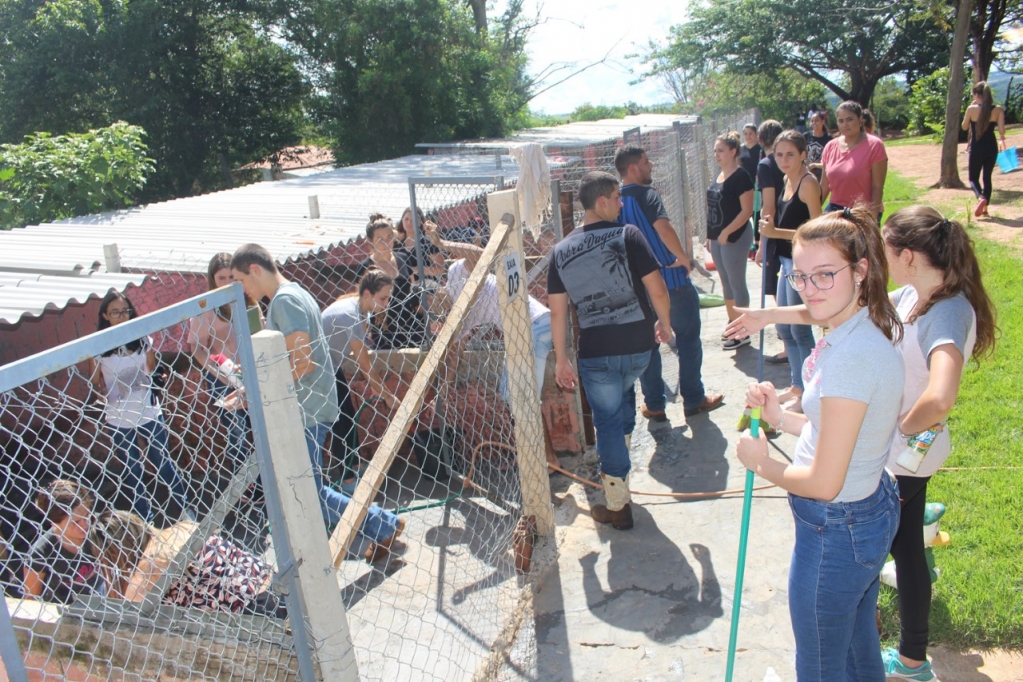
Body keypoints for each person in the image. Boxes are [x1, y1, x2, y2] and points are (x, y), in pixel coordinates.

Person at [734, 206, 904, 680]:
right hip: (864, 510)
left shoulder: (851, 356)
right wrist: (779, 418)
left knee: (820, 664)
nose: (809, 289)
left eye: (825, 275)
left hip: (837, 525)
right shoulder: (856, 326)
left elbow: (825, 481)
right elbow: (837, 432)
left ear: (861, 269)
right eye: (801, 276)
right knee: (853, 644)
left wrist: (760, 462)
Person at [879, 206, 996, 680]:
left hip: (912, 449)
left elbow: (941, 396)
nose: (879, 256)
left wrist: (902, 428)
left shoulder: (945, 311)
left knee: (905, 550)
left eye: (884, 248)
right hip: (911, 448)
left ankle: (911, 660)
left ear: (907, 255)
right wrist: (772, 313)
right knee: (904, 538)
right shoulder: (914, 293)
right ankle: (916, 521)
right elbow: (851, 308)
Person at [230, 244, 403, 561]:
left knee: (308, 493)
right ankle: (380, 525)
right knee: (308, 491)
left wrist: (258, 390)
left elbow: (302, 362)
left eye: (239, 279)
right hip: (311, 404)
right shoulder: (293, 294)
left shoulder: (284, 301)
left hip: (306, 409)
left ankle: (382, 524)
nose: (240, 289)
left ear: (254, 269)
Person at [547, 171, 674, 530]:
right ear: (601, 201)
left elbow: (558, 311)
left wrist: (561, 358)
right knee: (622, 401)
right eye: (617, 197)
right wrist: (665, 323)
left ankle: (618, 502)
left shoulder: (560, 251)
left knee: (607, 421)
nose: (621, 204)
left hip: (596, 351)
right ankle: (621, 482)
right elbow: (657, 288)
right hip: (637, 347)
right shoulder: (628, 235)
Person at [422, 221, 561, 470]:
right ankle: (541, 460)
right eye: (432, 314)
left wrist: (442, 244)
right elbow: (455, 353)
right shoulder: (457, 318)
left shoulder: (455, 274)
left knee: (519, 396)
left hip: (534, 324)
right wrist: (441, 394)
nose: (437, 313)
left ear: (437, 293)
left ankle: (544, 461)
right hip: (526, 331)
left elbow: (480, 255)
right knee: (515, 395)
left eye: (434, 305)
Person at [613, 144, 723, 422]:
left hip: (638, 290)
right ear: (633, 168)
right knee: (687, 340)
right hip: (671, 281)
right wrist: (683, 257)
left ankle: (655, 405)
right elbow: (663, 228)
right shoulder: (647, 195)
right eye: (647, 162)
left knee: (648, 346)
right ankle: (694, 400)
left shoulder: (613, 204)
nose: (651, 166)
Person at [89, 291, 189, 523]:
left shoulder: (142, 339)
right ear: (105, 315)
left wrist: (154, 378)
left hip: (148, 412)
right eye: (115, 312)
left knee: (163, 463)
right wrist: (94, 360)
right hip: (118, 418)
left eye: (125, 311)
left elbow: (151, 369)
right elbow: (95, 381)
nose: (121, 316)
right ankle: (146, 521)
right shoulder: (97, 346)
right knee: (133, 471)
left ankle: (185, 510)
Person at [93, 509, 287, 619]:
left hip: (255, 612)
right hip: (275, 581)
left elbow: (127, 614)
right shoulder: (182, 528)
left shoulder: (147, 570)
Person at [757, 130, 822, 407]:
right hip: (786, 261)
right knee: (785, 326)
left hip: (801, 264)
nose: (784, 160)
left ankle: (809, 392)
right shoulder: (786, 179)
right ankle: (797, 385)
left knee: (799, 329)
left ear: (803, 155)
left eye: (790, 154)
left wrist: (775, 232)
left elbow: (817, 229)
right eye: (779, 154)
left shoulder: (808, 183)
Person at [321, 270, 399, 493]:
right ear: (367, 294)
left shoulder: (359, 310)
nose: (386, 303)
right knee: (341, 423)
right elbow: (365, 365)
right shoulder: (351, 315)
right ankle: (347, 481)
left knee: (347, 415)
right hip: (320, 371)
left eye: (388, 298)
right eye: (383, 298)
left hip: (330, 368)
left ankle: (353, 465)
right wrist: (387, 395)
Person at [188, 253, 248, 470]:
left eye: (232, 276)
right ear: (212, 280)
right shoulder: (206, 309)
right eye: (221, 278)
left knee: (259, 428)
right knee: (237, 432)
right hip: (223, 377)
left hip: (251, 370)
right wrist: (217, 372)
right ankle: (249, 489)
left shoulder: (246, 298)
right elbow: (197, 347)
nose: (228, 282)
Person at [705, 132, 755, 349]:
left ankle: (743, 331)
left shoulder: (741, 176)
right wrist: (710, 235)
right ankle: (732, 324)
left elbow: (746, 211)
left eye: (721, 150)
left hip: (735, 237)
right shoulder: (719, 176)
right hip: (717, 238)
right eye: (715, 150)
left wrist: (727, 231)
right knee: (725, 283)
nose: (717, 155)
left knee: (736, 282)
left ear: (733, 151)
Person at [24, 480, 104, 603]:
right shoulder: (41, 552)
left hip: (102, 596)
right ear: (54, 522)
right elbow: (31, 598)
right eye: (76, 522)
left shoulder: (101, 527)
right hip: (64, 607)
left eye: (87, 515)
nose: (85, 524)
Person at [357, 215, 428, 349]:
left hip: (411, 325)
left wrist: (428, 318)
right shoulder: (365, 267)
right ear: (370, 241)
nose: (386, 243)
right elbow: (361, 303)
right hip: (383, 328)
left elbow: (412, 291)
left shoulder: (402, 258)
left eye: (389, 237)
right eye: (380, 239)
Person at [754, 120, 789, 366]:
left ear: (760, 140)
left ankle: (788, 344)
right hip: (787, 228)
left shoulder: (766, 166)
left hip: (777, 233)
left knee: (780, 292)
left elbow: (768, 205)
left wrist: (763, 242)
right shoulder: (789, 163)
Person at [820, 101, 888, 218]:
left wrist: (872, 217)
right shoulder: (830, 146)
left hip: (862, 212)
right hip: (835, 211)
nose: (845, 124)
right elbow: (824, 185)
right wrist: (811, 210)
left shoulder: (875, 145)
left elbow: (877, 187)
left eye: (850, 119)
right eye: (841, 121)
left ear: (860, 119)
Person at [961, 81, 1008, 218]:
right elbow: (1001, 130)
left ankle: (981, 198)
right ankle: (985, 208)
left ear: (977, 95)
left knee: (973, 178)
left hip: (977, 147)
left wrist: (969, 116)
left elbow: (964, 127)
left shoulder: (971, 109)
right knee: (987, 177)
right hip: (991, 146)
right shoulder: (998, 110)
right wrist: (1002, 136)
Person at [397, 206, 445, 278]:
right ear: (402, 220)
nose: (409, 222)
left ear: (420, 223)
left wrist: (419, 269)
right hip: (402, 286)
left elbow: (441, 268)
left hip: (424, 285)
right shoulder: (397, 243)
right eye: (406, 219)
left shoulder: (426, 242)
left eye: (413, 219)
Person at [805, 112, 833, 182]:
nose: (814, 123)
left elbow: (830, 161)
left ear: (823, 121)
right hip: (807, 169)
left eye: (817, 121)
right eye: (812, 121)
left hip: (822, 171)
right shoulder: (806, 136)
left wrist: (814, 165)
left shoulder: (828, 138)